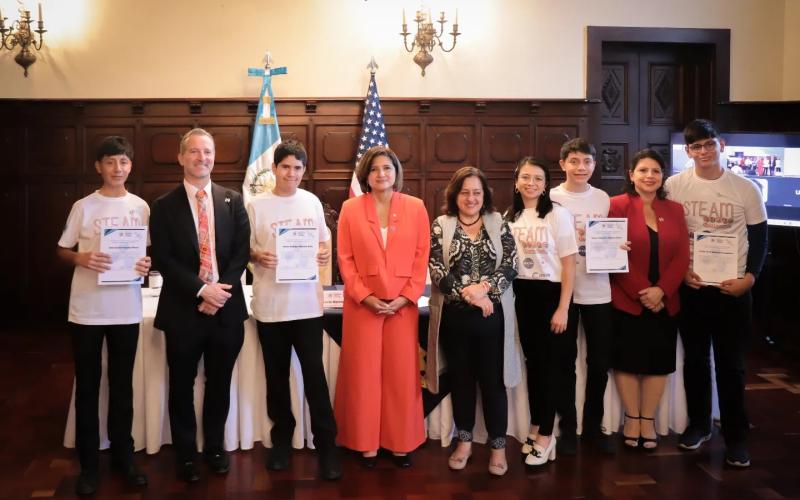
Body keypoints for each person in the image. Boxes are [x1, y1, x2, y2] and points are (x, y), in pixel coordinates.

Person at [149, 128, 250, 482]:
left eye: (207, 151)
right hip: (183, 312)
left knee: (220, 382)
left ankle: (216, 447)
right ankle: (187, 454)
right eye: (193, 151)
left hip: (226, 310)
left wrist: (219, 292)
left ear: (214, 156)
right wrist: (201, 290)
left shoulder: (232, 200)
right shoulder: (163, 206)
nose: (201, 157)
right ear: (181, 157)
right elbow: (163, 256)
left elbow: (241, 252)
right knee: (181, 383)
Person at [665, 119, 767, 468]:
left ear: (721, 145)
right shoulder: (675, 186)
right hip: (693, 288)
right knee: (694, 361)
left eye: (709, 144)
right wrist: (681, 274)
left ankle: (737, 437)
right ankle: (699, 425)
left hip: (732, 290)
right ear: (688, 151)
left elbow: (759, 239)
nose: (704, 152)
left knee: (731, 365)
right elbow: (669, 237)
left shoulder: (746, 188)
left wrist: (750, 278)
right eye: (696, 147)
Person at [57, 136, 150, 496]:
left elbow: (145, 253)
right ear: (99, 166)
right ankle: (89, 465)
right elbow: (62, 250)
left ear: (131, 166)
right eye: (110, 162)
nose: (118, 169)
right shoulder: (84, 206)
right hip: (87, 311)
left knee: (123, 386)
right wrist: (81, 258)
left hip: (126, 308)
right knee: (88, 387)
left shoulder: (141, 207)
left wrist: (145, 263)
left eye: (124, 162)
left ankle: (124, 458)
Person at [247, 140, 341, 480]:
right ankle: (282, 441)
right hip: (271, 307)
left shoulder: (312, 202)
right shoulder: (256, 206)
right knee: (276, 378)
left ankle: (327, 446)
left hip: (306, 307)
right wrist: (257, 256)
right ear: (274, 169)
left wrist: (322, 256)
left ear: (304, 170)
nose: (292, 173)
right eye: (286, 166)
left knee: (315, 377)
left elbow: (322, 245)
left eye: (298, 167)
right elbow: (245, 250)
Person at [334, 145, 430, 468]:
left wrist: (406, 296)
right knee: (363, 374)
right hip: (363, 305)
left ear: (396, 173)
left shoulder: (416, 208)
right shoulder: (350, 209)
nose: (381, 174)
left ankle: (399, 442)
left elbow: (421, 258)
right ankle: (366, 443)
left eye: (387, 168)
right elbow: (344, 260)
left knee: (401, 375)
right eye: (374, 169)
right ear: (366, 174)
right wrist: (365, 296)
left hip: (403, 305)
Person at [427, 166, 521, 476]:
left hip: (493, 318)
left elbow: (510, 265)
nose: (471, 197)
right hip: (455, 318)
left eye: (476, 192)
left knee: (494, 384)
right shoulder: (441, 224)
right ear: (455, 195)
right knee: (462, 381)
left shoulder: (499, 222)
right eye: (465, 192)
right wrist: (471, 297)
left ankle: (497, 446)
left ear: (485, 195)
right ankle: (464, 441)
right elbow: (437, 270)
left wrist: (484, 291)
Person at [608, 149, 689, 451]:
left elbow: (683, 255)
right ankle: (632, 417)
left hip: (666, 301)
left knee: (658, 362)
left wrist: (662, 291)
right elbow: (611, 251)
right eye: (643, 170)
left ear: (663, 176)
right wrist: (643, 291)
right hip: (627, 298)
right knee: (627, 361)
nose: (649, 176)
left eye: (655, 171)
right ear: (631, 174)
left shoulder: (676, 209)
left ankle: (648, 419)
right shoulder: (616, 205)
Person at [507, 158, 577, 466]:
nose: (531, 183)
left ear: (546, 184)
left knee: (549, 368)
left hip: (552, 296)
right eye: (526, 177)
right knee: (533, 364)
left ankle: (547, 436)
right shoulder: (513, 215)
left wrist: (563, 307)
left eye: (537, 178)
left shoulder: (557, 215)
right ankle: (536, 426)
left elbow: (569, 264)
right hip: (523, 296)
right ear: (517, 181)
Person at [550, 138, 616, 455]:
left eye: (587, 162)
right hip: (563, 293)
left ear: (594, 165)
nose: (581, 168)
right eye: (574, 161)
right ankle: (567, 428)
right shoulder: (550, 198)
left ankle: (593, 427)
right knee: (565, 363)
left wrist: (619, 247)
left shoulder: (603, 198)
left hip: (598, 289)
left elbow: (611, 237)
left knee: (599, 363)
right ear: (562, 164)